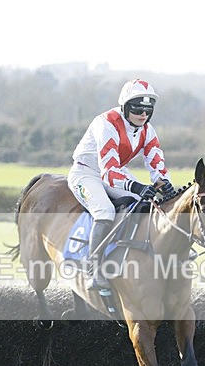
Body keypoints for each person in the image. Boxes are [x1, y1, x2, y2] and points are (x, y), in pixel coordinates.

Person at [68, 79, 176, 290]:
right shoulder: (107, 123)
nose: (143, 114)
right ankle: (93, 269)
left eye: (147, 110)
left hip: (116, 172)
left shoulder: (148, 129)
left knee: (146, 203)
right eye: (137, 109)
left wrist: (164, 184)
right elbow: (109, 171)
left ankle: (137, 254)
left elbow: (156, 162)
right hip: (87, 173)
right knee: (105, 211)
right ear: (125, 107)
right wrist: (136, 186)